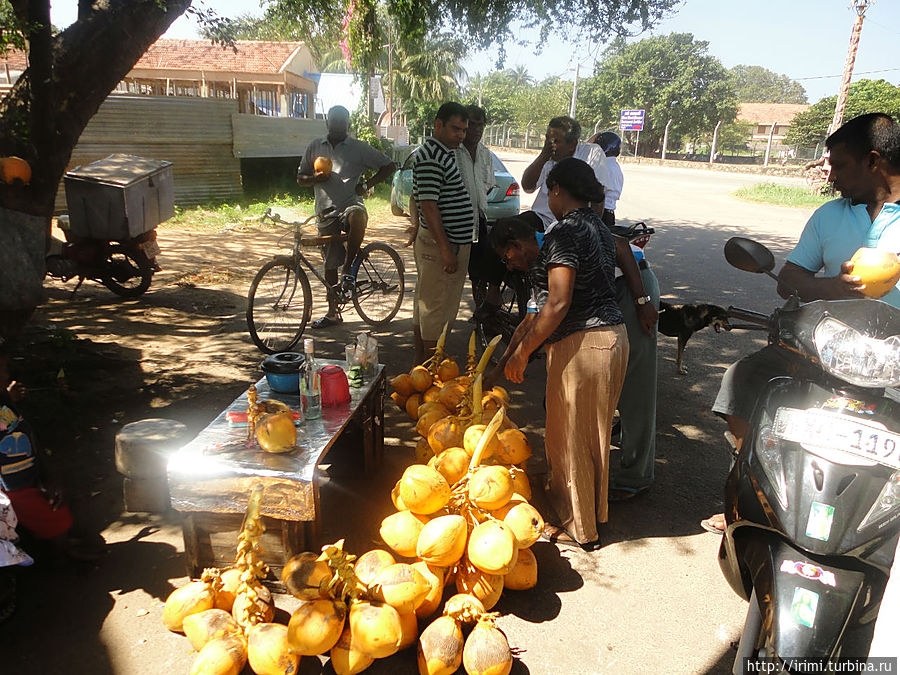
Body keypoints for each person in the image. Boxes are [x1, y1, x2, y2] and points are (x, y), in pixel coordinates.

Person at [705, 112, 900, 534]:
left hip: (893, 362)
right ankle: (751, 496)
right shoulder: (829, 216)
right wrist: (835, 287)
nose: (831, 177)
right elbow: (790, 279)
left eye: (839, 165)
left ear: (873, 161)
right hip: (824, 351)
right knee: (742, 382)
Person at [490, 158, 629, 551]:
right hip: (613, 338)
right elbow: (540, 311)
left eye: (547, 192)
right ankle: (589, 512)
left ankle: (579, 528)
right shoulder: (599, 228)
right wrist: (508, 359)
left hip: (584, 343)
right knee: (591, 436)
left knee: (570, 437)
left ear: (556, 190)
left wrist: (521, 356)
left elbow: (558, 302)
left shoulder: (564, 232)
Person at [0, 342, 105, 561]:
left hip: (26, 473)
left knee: (60, 505)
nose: (7, 374)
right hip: (12, 485)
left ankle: (62, 543)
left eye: (6, 368)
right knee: (55, 518)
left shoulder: (4, 402)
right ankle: (62, 552)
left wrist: (10, 399)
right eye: (3, 370)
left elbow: (24, 432)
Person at [297, 105, 396, 328]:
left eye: (343, 122)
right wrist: (315, 177)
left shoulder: (358, 148)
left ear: (348, 125)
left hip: (350, 204)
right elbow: (300, 178)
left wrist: (367, 184)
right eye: (335, 121)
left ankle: (349, 269)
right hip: (325, 212)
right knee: (329, 262)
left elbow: (389, 165)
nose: (339, 125)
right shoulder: (315, 146)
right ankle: (333, 313)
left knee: (357, 217)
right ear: (327, 123)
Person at [409, 102, 475, 364]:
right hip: (441, 247)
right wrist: (446, 249)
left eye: (463, 130)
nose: (461, 135)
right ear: (438, 125)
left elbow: (424, 199)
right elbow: (429, 205)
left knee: (428, 307)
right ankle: (430, 375)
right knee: (435, 311)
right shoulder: (431, 156)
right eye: (455, 129)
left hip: (445, 243)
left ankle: (421, 370)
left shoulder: (443, 152)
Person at [454, 105, 505, 315]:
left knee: (481, 269)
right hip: (455, 222)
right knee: (454, 273)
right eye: (471, 124)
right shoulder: (453, 151)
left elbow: (489, 184)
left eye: (480, 125)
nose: (475, 129)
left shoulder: (485, 154)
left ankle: (482, 312)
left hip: (478, 218)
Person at [590, 130, 624, 228]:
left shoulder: (602, 166)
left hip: (600, 213)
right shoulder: (615, 166)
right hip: (609, 213)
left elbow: (596, 194)